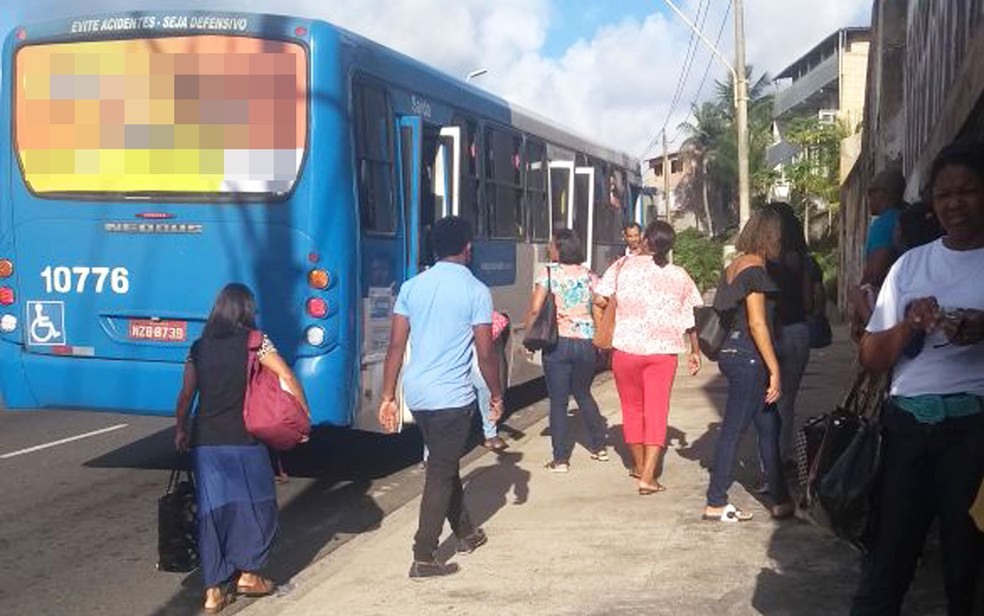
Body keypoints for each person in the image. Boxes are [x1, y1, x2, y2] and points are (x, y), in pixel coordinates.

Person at [852, 142, 984, 615]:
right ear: (932, 201)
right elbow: (871, 356)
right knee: (888, 560)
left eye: (968, 191)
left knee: (965, 565)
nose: (956, 203)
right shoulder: (911, 264)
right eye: (945, 194)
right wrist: (909, 323)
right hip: (908, 429)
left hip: (975, 435)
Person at [378, 216, 503, 580]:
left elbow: (396, 346)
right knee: (440, 472)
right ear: (468, 248)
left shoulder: (412, 286)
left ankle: (465, 532)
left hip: (417, 393)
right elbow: (485, 352)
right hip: (452, 396)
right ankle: (424, 555)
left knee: (445, 466)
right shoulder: (477, 290)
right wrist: (495, 394)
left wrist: (388, 395)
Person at [173, 283, 310, 614]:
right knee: (258, 506)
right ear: (246, 311)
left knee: (213, 512)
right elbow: (287, 376)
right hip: (245, 440)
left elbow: (186, 394)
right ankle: (249, 573)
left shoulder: (198, 347)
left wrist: (180, 427)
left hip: (207, 442)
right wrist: (302, 416)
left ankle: (212, 592)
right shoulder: (256, 343)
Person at [594, 221, 703, 494]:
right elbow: (690, 318)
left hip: (625, 351)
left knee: (632, 410)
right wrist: (695, 350)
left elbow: (599, 300)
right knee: (656, 412)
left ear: (644, 239)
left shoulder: (620, 267)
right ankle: (648, 476)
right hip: (662, 353)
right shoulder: (679, 275)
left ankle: (638, 466)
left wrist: (604, 330)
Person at [703, 208, 794, 522]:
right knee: (733, 430)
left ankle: (781, 500)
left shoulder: (733, 267)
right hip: (749, 355)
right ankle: (716, 499)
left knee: (769, 427)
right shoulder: (755, 271)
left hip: (732, 351)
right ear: (771, 236)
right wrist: (775, 370)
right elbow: (757, 323)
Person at [524, 228, 608, 472]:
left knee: (558, 402)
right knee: (583, 394)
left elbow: (535, 309)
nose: (549, 248)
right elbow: (603, 300)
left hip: (557, 343)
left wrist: (529, 340)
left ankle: (560, 459)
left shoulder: (548, 273)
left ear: (560, 248)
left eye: (551, 244)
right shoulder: (588, 274)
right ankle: (599, 446)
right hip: (585, 342)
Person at [764, 202, 814, 465]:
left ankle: (771, 464)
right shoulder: (802, 260)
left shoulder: (761, 261)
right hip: (797, 331)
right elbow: (809, 304)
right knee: (787, 401)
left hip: (771, 333)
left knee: (768, 402)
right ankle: (783, 457)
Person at [849, 168, 907, 338]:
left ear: (884, 193)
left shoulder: (883, 224)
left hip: (883, 306)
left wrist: (858, 311)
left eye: (871, 192)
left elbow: (874, 272)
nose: (869, 198)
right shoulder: (904, 218)